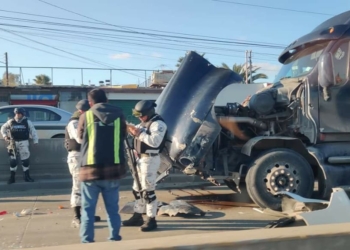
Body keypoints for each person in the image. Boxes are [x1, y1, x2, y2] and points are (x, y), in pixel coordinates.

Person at [76, 88, 127, 243]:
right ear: (107, 100)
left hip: (90, 171)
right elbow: (123, 136)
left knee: (87, 211)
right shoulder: (119, 116)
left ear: (90, 102)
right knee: (112, 210)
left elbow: (79, 139)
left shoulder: (86, 116)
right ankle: (114, 239)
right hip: (112, 170)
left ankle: (87, 242)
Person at [122, 100, 167, 232]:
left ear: (149, 112)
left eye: (141, 115)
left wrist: (139, 134)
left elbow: (154, 141)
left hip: (150, 159)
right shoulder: (144, 123)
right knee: (137, 190)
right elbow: (137, 132)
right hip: (140, 159)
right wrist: (130, 129)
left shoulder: (158, 124)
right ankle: (137, 216)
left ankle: (151, 219)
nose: (139, 118)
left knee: (148, 191)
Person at [65, 99, 101, 228]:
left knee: (89, 187)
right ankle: (77, 216)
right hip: (77, 156)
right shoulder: (74, 122)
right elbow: (80, 139)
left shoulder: (87, 120)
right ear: (81, 111)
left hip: (88, 156)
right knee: (78, 187)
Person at [1, 107, 38, 184]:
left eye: (19, 113)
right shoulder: (10, 121)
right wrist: (4, 136)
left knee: (25, 161)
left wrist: (35, 141)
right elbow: (2, 128)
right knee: (13, 161)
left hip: (24, 142)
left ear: (22, 114)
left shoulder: (27, 122)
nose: (18, 115)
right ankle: (12, 177)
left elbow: (33, 131)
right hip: (13, 143)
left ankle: (27, 176)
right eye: (16, 113)